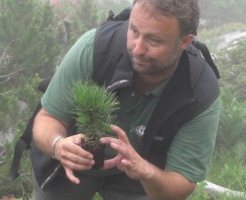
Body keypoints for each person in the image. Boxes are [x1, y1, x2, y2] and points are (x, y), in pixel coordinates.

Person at [32, 0, 220, 199]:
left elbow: (183, 181)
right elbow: (48, 118)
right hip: (72, 162)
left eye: (154, 40)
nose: (137, 48)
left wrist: (146, 171)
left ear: (184, 41)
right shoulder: (95, 48)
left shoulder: (200, 91)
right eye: (134, 31)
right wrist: (59, 146)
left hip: (142, 173)